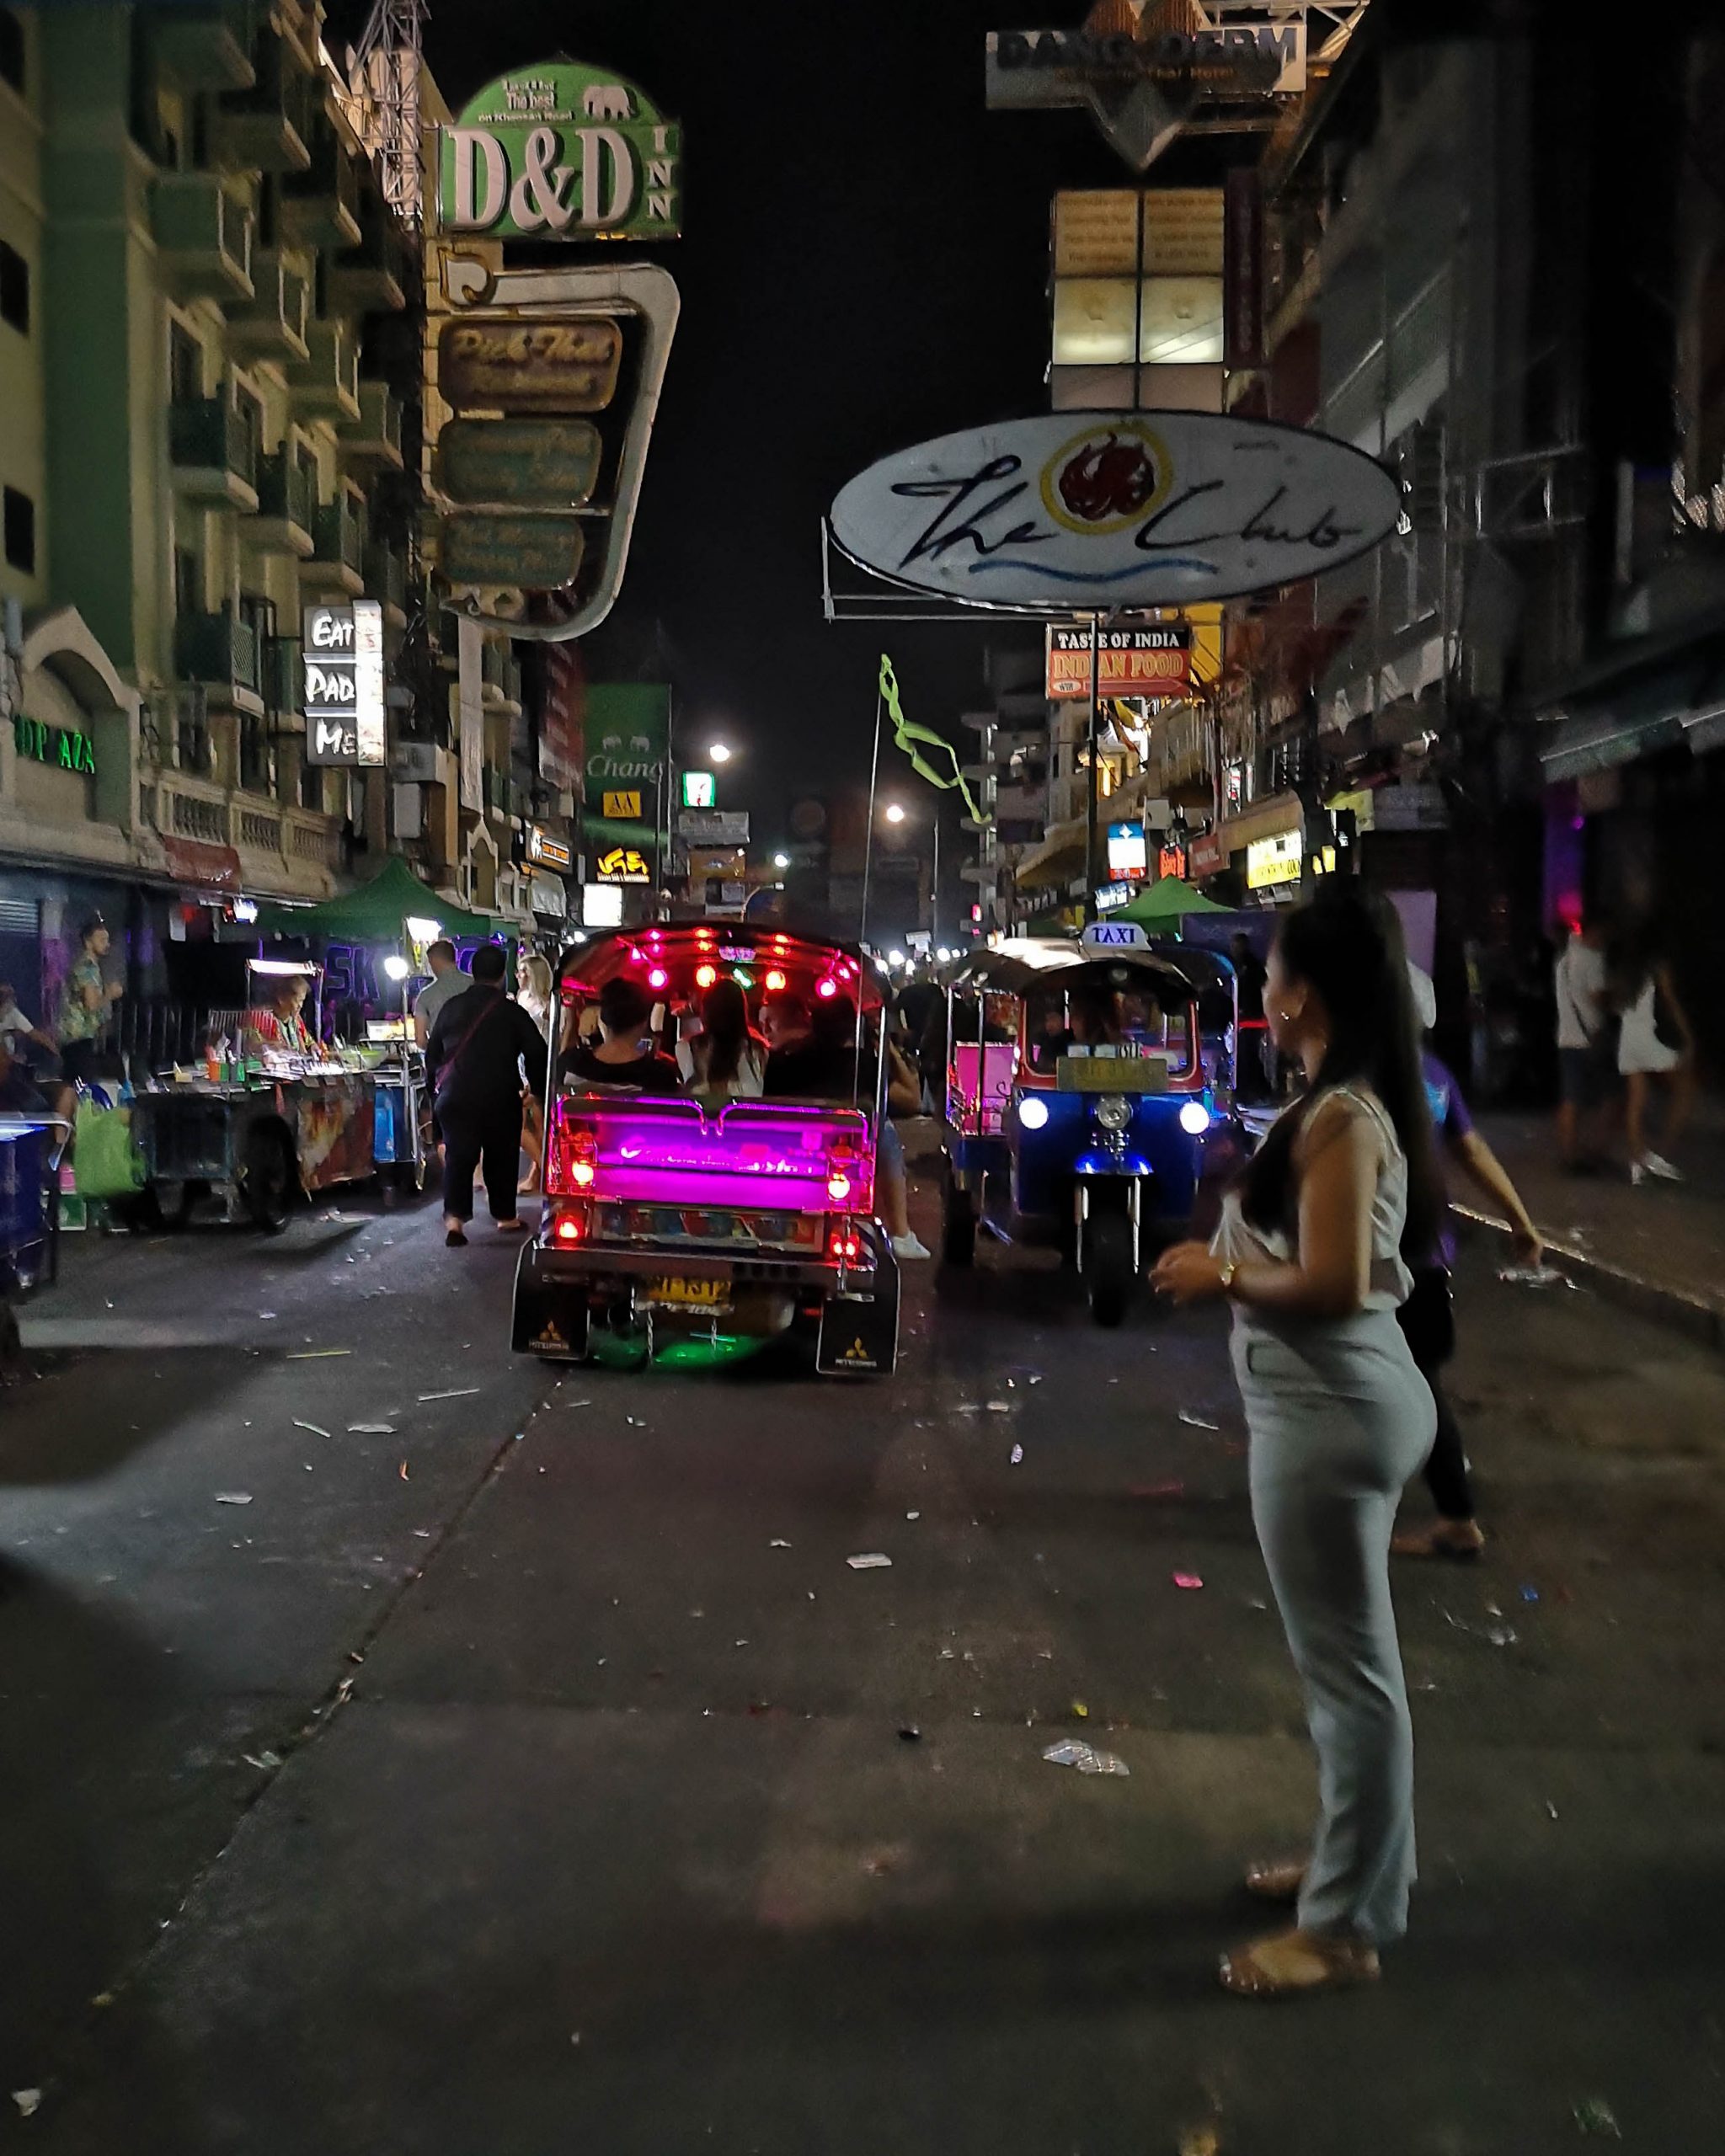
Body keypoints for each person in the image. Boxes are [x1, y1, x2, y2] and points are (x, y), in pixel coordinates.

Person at [1151, 885, 1441, 1999]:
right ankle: (1352, 1872)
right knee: (1345, 1677)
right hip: (1329, 1409)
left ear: (1302, 987)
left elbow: (1332, 1283)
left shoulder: (1341, 1118)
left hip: (1330, 1416)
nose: (1259, 982)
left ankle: (1343, 1928)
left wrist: (1216, 1271)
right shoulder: (1337, 1105)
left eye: (1270, 964)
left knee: (1352, 1680)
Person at [1393, 966, 1543, 1561]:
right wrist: (1519, 1218)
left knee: (1411, 1388)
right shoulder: (1434, 1075)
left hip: (1386, 1258)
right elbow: (1472, 1149)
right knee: (1411, 1382)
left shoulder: (1361, 1080)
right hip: (1429, 1255)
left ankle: (1456, 1515)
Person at [426, 943, 547, 1246]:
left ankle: (455, 1222)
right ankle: (505, 1217)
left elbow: (433, 1057)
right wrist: (538, 1091)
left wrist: (435, 1099)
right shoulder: (512, 1011)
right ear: (501, 976)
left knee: (459, 1156)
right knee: (501, 1155)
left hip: (455, 1094)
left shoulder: (451, 1007)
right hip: (498, 1095)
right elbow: (537, 1053)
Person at [1612, 930, 1696, 1186]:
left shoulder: (1623, 971)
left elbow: (1614, 1006)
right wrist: (1687, 1035)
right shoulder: (1656, 966)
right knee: (1685, 1089)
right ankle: (1661, 1152)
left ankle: (1636, 1162)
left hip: (1627, 1042)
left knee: (1636, 1101)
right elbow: (1669, 1002)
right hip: (1647, 1038)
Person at [1552, 916, 1613, 1170]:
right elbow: (1598, 998)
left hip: (1567, 1036)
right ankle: (1594, 1151)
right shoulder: (1592, 959)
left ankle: (1569, 1153)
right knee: (1610, 1097)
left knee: (1570, 1098)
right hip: (1590, 1038)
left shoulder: (1563, 961)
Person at [562, 976, 683, 1092]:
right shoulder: (659, 1077)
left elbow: (565, 1057)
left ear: (603, 1018)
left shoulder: (574, 1065)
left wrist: (573, 1017)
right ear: (645, 1022)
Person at [56, 916, 123, 1087]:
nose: (106, 944)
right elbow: (91, 1004)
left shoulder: (88, 965)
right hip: (79, 1038)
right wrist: (110, 993)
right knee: (85, 1088)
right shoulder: (87, 966)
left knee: (71, 1088)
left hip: (74, 1038)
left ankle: (64, 1115)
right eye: (101, 939)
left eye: (107, 940)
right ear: (88, 942)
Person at [676, 978, 767, 1102]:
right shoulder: (759, 1051)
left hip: (702, 1120)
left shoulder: (686, 1048)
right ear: (741, 1012)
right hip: (746, 1120)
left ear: (706, 1011)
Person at [515, 952, 557, 1194]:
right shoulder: (522, 997)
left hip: (539, 1065)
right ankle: (540, 1173)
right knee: (536, 1122)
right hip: (522, 1064)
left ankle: (544, 1170)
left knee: (536, 1121)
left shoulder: (546, 1005)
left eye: (524, 971)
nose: (519, 975)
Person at [244, 974, 318, 1054]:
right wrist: (271, 1045)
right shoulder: (259, 1017)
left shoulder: (296, 1019)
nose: (301, 1005)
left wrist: (313, 1046)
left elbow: (307, 1040)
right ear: (281, 999)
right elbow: (250, 1044)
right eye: (297, 1001)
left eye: (302, 1001)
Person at [413, 940, 466, 1048]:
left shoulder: (426, 995)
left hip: (444, 1058)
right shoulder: (476, 984)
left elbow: (420, 1040)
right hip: (477, 1057)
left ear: (434, 961)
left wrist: (434, 1052)